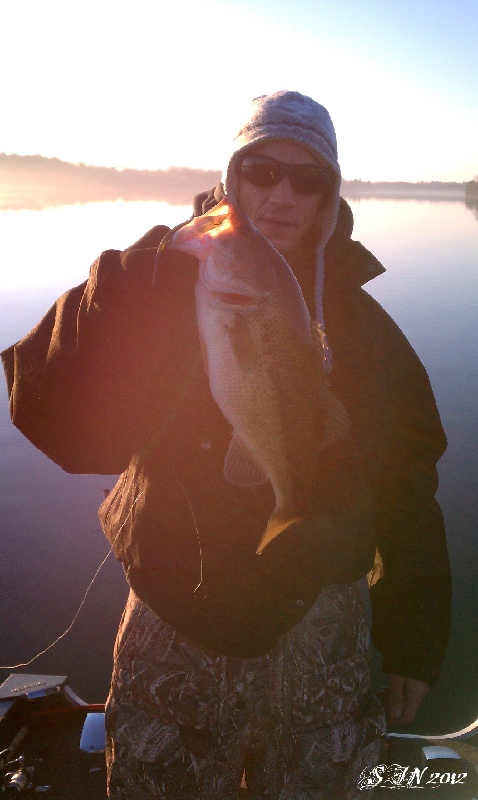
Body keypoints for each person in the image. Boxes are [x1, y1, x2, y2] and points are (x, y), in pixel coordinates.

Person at [1, 90, 451, 799]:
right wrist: (124, 288)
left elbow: (408, 484)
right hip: (177, 610)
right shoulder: (164, 284)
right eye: (262, 170)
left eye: (308, 179)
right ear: (232, 178)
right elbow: (53, 420)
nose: (282, 193)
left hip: (322, 624)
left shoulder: (368, 333)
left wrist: (417, 637)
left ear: (329, 196)